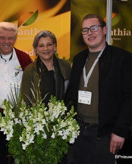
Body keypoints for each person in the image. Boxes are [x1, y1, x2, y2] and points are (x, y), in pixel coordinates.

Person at [65, 14, 132, 164]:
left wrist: (120, 131)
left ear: (105, 30)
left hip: (106, 133)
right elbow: (71, 93)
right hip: (78, 131)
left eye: (94, 28)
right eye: (85, 30)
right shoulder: (78, 59)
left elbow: (130, 97)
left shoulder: (122, 59)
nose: (90, 33)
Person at [0, 22, 32, 164]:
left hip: (19, 115)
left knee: (19, 155)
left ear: (15, 39)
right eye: (2, 38)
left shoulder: (24, 58)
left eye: (10, 38)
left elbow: (32, 86)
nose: (6, 41)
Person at [21, 30, 71, 106]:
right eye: (41, 46)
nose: (46, 49)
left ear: (54, 47)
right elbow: (25, 99)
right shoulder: (29, 70)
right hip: (37, 116)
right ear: (36, 50)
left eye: (49, 44)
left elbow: (70, 93)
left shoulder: (65, 66)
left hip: (62, 115)